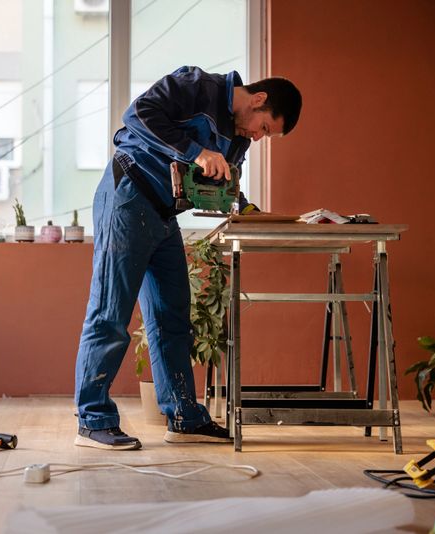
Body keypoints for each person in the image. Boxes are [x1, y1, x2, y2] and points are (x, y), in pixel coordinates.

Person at [74, 66, 302, 450]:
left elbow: (226, 183)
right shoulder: (197, 86)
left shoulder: (238, 138)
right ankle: (93, 421)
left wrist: (245, 210)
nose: (259, 137)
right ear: (259, 100)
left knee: (172, 319)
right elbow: (138, 115)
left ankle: (183, 418)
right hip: (128, 194)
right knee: (111, 314)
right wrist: (198, 152)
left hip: (163, 215)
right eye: (264, 128)